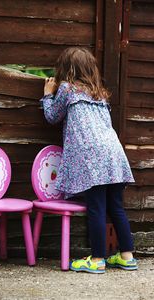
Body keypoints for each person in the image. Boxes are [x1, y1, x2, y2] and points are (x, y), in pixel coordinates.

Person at [40, 47, 138, 274]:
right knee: (116, 206)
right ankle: (127, 256)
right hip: (113, 153)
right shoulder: (99, 93)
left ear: (67, 70)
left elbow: (52, 116)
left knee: (96, 208)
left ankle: (96, 260)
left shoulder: (66, 89)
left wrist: (47, 94)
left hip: (92, 156)